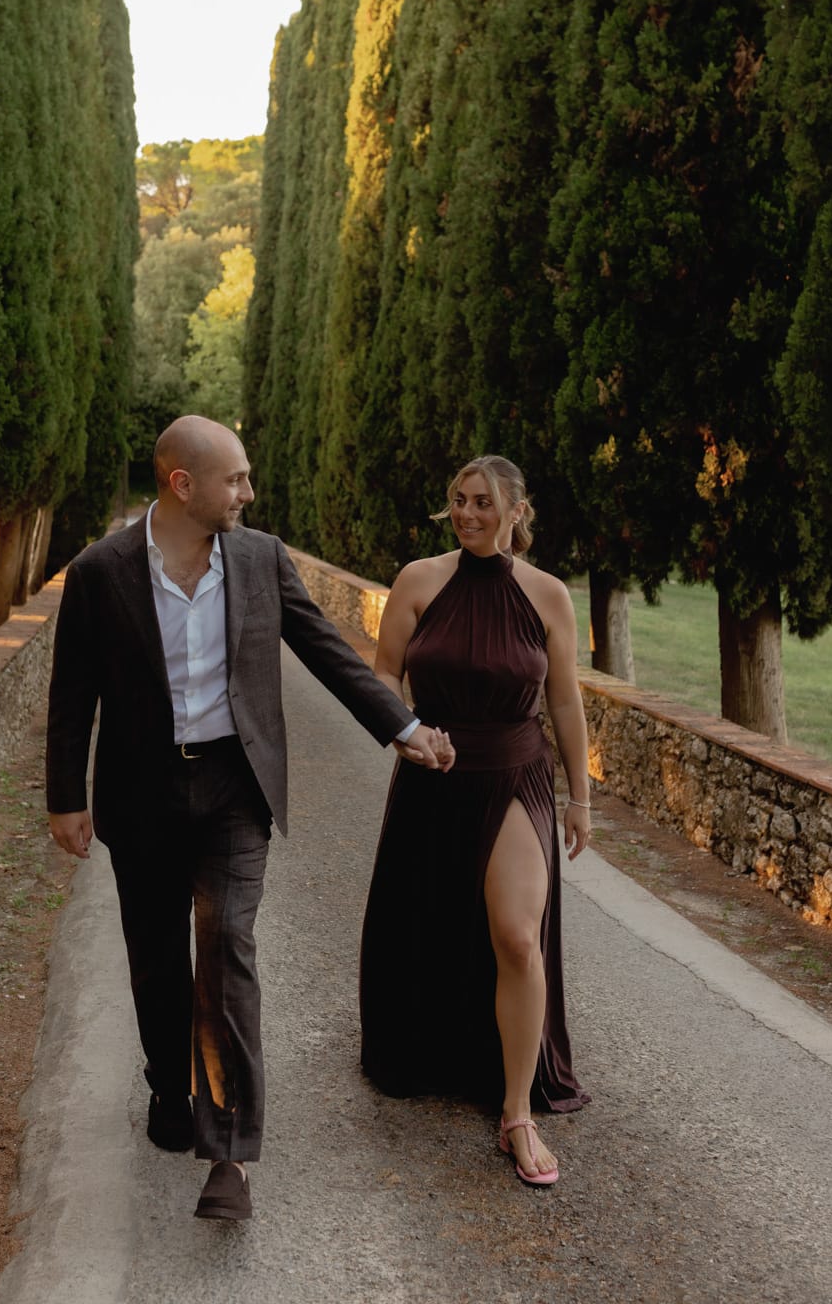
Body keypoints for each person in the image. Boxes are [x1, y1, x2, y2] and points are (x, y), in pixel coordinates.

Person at [46, 415, 453, 1222]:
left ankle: (228, 1152)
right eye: (235, 479)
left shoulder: (262, 560)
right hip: (142, 795)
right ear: (181, 484)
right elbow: (73, 691)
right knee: (158, 960)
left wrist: (402, 729)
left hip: (237, 787)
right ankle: (169, 1083)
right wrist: (66, 796)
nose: (249, 493)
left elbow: (328, 651)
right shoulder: (101, 572)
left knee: (226, 944)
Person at [359, 455, 592, 1187]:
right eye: (458, 500)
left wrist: (579, 797)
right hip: (432, 774)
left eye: (483, 502)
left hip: (516, 773)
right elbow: (381, 676)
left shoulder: (548, 596)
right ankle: (440, 1048)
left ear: (516, 510)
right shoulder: (418, 581)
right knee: (431, 925)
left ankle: (516, 1113)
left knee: (519, 938)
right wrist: (407, 733)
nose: (467, 514)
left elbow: (563, 702)